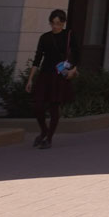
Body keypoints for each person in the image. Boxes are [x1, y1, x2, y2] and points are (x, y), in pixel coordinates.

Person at [26, 10, 78, 149]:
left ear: (63, 23)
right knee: (38, 106)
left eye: (59, 24)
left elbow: (77, 54)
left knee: (54, 107)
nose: (56, 26)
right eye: (54, 23)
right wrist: (30, 79)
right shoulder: (45, 37)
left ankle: (49, 138)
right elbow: (37, 59)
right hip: (45, 74)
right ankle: (44, 130)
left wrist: (73, 69)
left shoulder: (69, 35)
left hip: (60, 74)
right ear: (50, 22)